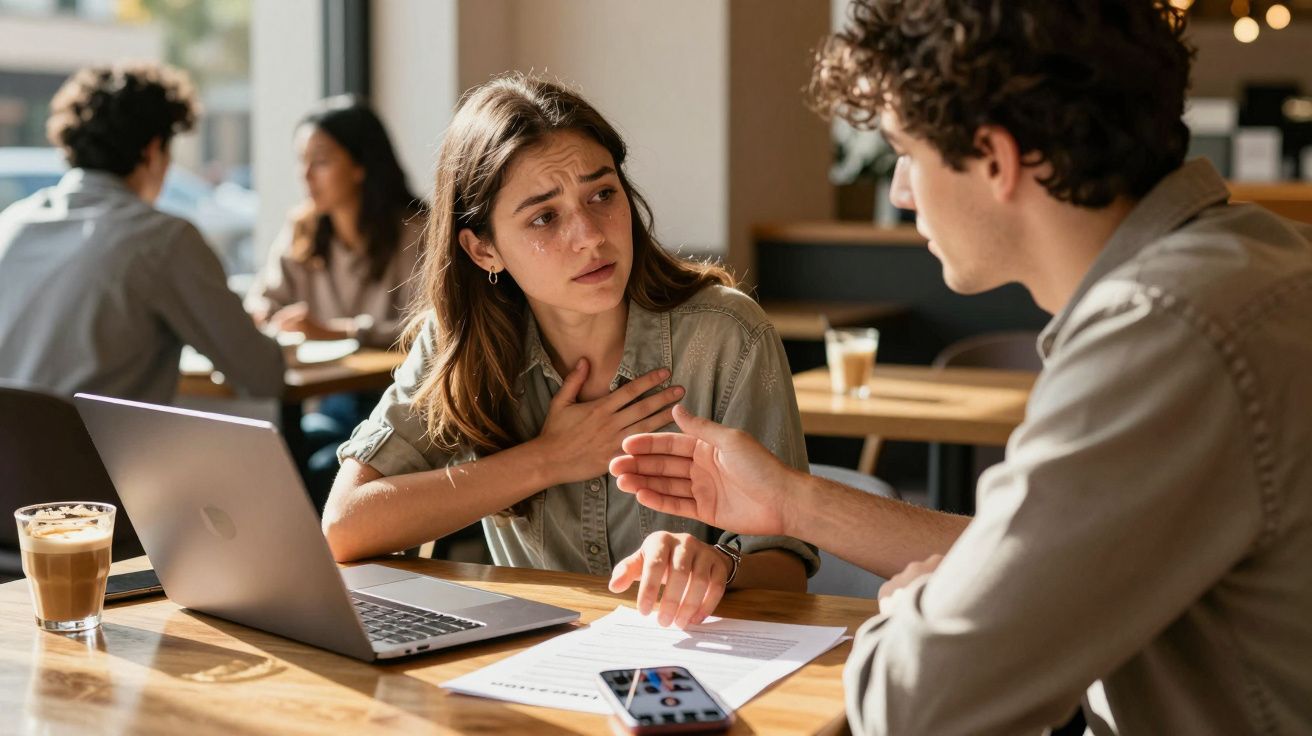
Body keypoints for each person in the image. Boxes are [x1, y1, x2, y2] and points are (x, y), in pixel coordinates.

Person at [611, 1, 1312, 733]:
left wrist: (915, 604)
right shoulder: (1249, 261)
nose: (900, 192)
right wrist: (792, 502)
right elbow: (1047, 562)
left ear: (995, 159)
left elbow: (917, 707)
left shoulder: (1163, 333)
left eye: (906, 153)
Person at [321, 75, 817, 626]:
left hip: (696, 661)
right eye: (544, 217)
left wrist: (720, 566)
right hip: (534, 664)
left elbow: (785, 565)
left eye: (602, 194)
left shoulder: (727, 334)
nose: (590, 235)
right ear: (483, 249)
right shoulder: (461, 343)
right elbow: (345, 525)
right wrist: (547, 459)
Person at [0, 63, 283, 404]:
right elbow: (263, 375)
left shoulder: (12, 223)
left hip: (16, 453)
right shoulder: (162, 239)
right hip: (102, 456)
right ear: (152, 150)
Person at [245, 96, 425, 507]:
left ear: (361, 165)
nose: (306, 175)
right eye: (301, 161)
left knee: (325, 466)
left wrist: (340, 332)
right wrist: (266, 318)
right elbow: (263, 302)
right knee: (272, 457)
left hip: (402, 405)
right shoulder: (303, 229)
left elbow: (434, 331)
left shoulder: (418, 233)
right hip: (332, 402)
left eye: (321, 161)